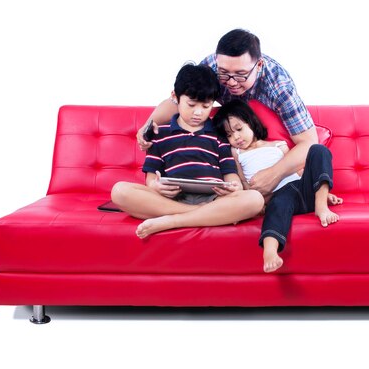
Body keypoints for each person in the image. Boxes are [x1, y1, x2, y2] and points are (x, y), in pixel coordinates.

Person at [136, 28, 318, 196]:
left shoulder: (279, 87)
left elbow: (309, 142)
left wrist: (274, 174)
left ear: (259, 65)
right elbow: (181, 99)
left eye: (240, 74)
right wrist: (146, 126)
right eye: (224, 73)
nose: (231, 82)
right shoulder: (211, 67)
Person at [111, 64, 264, 239]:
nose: (198, 112)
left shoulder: (219, 134)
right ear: (175, 97)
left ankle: (172, 221)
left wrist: (234, 186)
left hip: (214, 199)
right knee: (119, 191)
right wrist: (156, 186)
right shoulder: (160, 133)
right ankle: (204, 215)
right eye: (191, 104)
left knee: (254, 199)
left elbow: (230, 174)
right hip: (171, 200)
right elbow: (151, 179)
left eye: (206, 106)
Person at [213, 100, 342, 273]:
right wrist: (254, 202)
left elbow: (298, 170)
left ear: (251, 123)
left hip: (301, 189)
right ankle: (270, 251)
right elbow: (242, 181)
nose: (236, 137)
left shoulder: (277, 145)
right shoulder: (237, 153)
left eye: (239, 129)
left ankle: (321, 205)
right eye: (229, 134)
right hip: (277, 197)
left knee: (318, 150)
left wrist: (321, 190)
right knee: (279, 204)